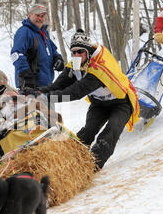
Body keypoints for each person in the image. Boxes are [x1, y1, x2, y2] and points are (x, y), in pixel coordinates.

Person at [22, 29, 140, 170]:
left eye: (80, 51)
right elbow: (58, 85)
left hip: (121, 103)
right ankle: (70, 162)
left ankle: (91, 167)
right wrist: (37, 92)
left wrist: (47, 97)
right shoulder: (75, 65)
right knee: (88, 131)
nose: (77, 55)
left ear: (88, 52)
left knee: (109, 133)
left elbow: (75, 92)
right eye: (74, 52)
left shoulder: (99, 67)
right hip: (99, 104)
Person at [11, 4, 64, 91]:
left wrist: (58, 58)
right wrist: (26, 75)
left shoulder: (44, 33)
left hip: (46, 85)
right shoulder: (24, 32)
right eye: (37, 15)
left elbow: (52, 50)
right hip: (31, 86)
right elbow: (16, 54)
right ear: (29, 15)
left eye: (42, 16)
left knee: (48, 104)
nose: (40, 18)